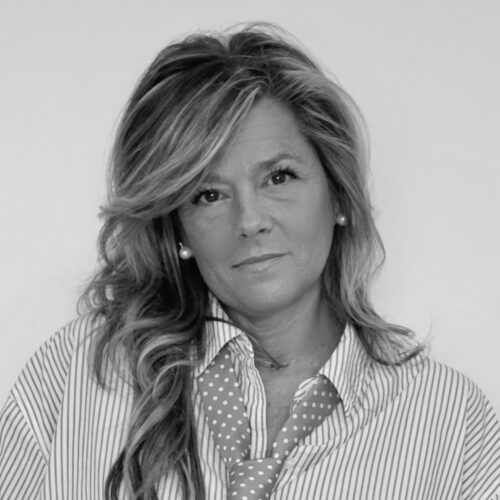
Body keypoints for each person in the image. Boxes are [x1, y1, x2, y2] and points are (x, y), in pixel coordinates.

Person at [1, 22, 499, 500]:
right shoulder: (76, 377)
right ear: (178, 229)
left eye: (278, 177)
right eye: (209, 194)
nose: (250, 220)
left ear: (338, 195)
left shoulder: (453, 426)